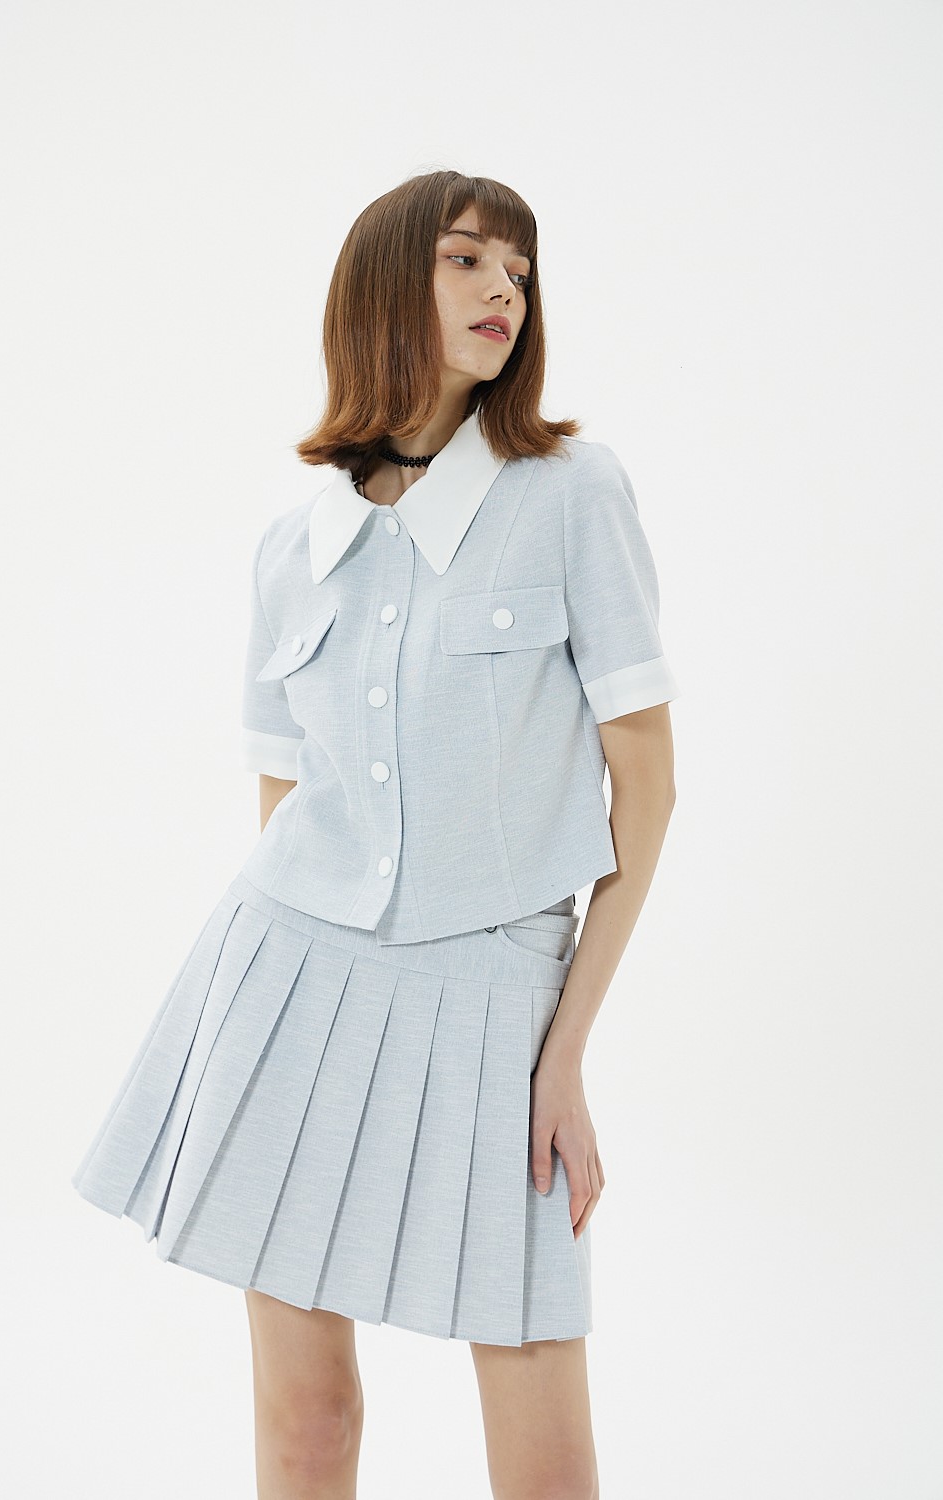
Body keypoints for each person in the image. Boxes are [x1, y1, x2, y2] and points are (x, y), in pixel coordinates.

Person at [71, 168, 680, 1500]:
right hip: (287, 987)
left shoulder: (573, 492)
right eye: (467, 258)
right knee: (308, 1421)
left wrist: (566, 1050)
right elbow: (284, 806)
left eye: (518, 269)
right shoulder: (291, 549)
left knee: (547, 1455)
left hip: (501, 995)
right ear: (383, 290)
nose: (503, 288)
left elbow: (647, 785)